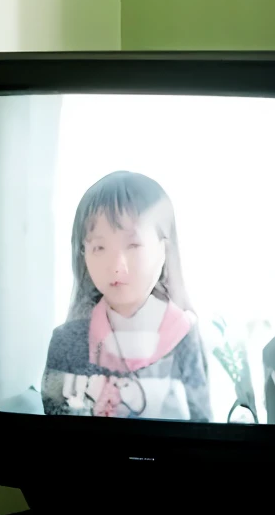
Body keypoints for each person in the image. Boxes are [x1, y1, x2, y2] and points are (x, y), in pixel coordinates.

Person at [41, 170, 210, 421]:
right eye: (99, 247)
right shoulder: (66, 341)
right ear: (83, 254)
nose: (117, 266)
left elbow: (202, 426)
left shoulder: (183, 334)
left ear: (163, 250)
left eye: (133, 245)